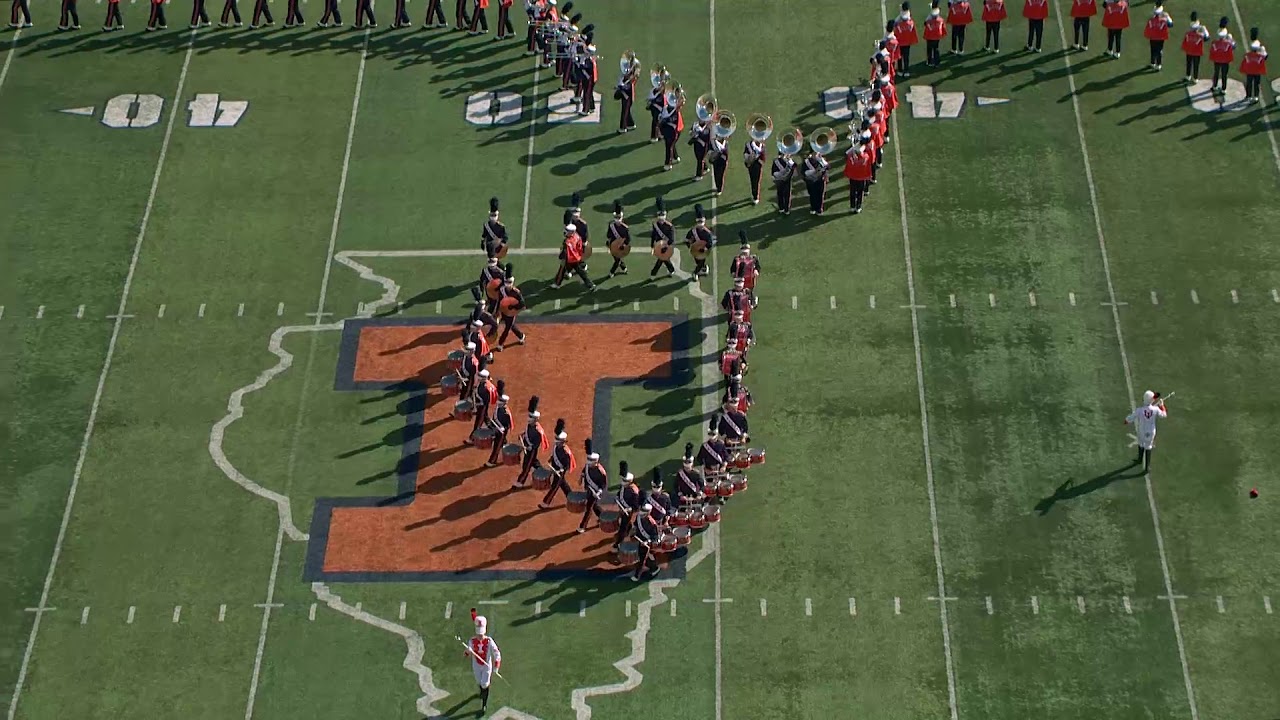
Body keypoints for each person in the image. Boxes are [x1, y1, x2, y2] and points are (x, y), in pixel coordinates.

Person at [466, 612, 501, 715]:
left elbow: (496, 653)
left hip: (486, 666)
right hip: (476, 665)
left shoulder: (489, 641)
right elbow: (467, 653)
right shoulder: (472, 641)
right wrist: (467, 651)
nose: (480, 636)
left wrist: (496, 665)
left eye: (481, 634)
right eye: (478, 634)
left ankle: (484, 704)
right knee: (479, 682)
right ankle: (482, 692)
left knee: (485, 684)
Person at [1124, 390, 1167, 472]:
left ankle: (1139, 460)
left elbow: (1131, 417)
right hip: (1150, 432)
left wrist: (1126, 421)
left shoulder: (1140, 410)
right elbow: (1164, 415)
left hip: (1141, 431)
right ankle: (1147, 467)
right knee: (1148, 446)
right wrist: (1162, 405)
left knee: (1140, 443)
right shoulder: (1156, 409)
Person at [539, 420, 576, 507]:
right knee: (563, 484)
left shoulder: (565, 452)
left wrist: (561, 470)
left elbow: (567, 465)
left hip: (559, 471)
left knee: (555, 486)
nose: (557, 443)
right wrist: (551, 458)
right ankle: (571, 497)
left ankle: (545, 503)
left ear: (563, 442)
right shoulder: (557, 446)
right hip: (555, 467)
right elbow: (554, 453)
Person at [513, 397, 548, 488]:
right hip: (527, 447)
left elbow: (537, 443)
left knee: (527, 466)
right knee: (534, 463)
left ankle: (520, 482)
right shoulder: (530, 425)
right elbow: (527, 431)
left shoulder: (538, 430)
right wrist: (523, 434)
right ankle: (543, 473)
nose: (529, 418)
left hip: (531, 450)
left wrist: (530, 447)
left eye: (531, 417)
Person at [484, 383, 513, 467]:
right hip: (497, 428)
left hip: (501, 431)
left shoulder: (505, 412)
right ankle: (508, 452)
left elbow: (508, 425)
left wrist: (502, 429)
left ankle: (492, 461)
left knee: (497, 446)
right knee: (502, 443)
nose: (498, 401)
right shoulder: (499, 407)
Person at [649, 196, 677, 279]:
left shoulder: (669, 226)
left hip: (667, 246)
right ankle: (671, 270)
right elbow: (653, 235)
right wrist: (652, 245)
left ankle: (653, 274)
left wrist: (665, 247)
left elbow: (671, 239)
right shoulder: (655, 225)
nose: (661, 221)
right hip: (658, 245)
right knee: (663, 259)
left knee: (661, 260)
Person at [1209, 20, 1236, 95]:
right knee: (1224, 74)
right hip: (1225, 59)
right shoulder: (1228, 40)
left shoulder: (1216, 40)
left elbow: (1213, 47)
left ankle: (1214, 86)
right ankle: (1224, 88)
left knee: (1216, 72)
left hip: (1217, 58)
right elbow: (1233, 46)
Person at [1181, 12, 1210, 83]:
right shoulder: (1201, 27)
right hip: (1197, 49)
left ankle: (1188, 76)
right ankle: (1195, 78)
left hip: (1189, 48)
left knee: (1189, 63)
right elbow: (1206, 37)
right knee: (1196, 64)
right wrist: (1201, 34)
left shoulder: (1191, 26)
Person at [1241, 33, 1268, 104]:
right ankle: (1255, 96)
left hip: (1250, 71)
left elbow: (1245, 61)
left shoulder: (1248, 55)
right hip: (1257, 71)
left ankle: (1248, 95)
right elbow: (1265, 57)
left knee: (1249, 83)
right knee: (1256, 83)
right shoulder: (1260, 54)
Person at [894, 1, 919, 77]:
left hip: (900, 42)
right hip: (907, 42)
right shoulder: (910, 23)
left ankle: (900, 70)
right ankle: (906, 70)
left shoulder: (898, 22)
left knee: (899, 56)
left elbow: (895, 26)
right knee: (906, 57)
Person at [1143, 4, 1172, 70]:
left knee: (1153, 49)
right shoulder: (1164, 18)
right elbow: (1170, 24)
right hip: (1160, 37)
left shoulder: (1152, 18)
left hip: (1153, 36)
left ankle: (1153, 63)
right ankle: (1158, 64)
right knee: (1159, 50)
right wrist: (1167, 18)